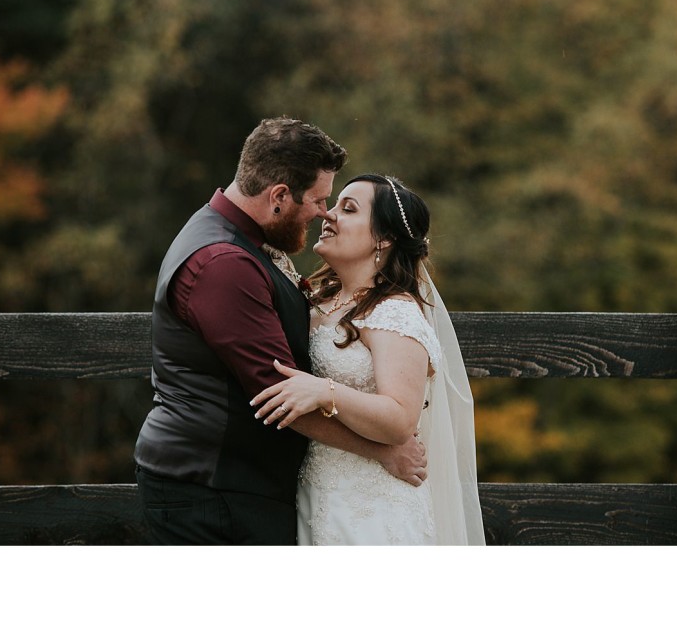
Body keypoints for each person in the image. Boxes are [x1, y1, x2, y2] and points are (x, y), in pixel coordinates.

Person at [134, 119, 428, 545]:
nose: (323, 213)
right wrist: (383, 452)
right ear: (278, 197)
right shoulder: (225, 262)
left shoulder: (244, 242)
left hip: (249, 486)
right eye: (320, 200)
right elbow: (281, 392)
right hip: (212, 489)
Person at [251, 174, 485, 545]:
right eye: (334, 205)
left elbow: (399, 420)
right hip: (317, 495)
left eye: (348, 209)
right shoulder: (317, 303)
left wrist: (324, 391)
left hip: (375, 509)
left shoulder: (394, 313)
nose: (328, 216)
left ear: (384, 238)